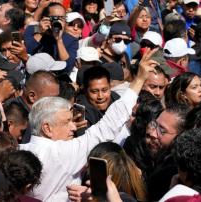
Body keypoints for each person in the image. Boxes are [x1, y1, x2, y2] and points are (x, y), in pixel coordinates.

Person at [19, 48, 158, 201]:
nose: (73, 127)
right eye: (66, 122)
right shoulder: (63, 153)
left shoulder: (18, 151)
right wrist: (139, 80)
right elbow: (106, 126)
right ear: (47, 128)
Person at [24, 2, 78, 73]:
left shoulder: (71, 40)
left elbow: (68, 67)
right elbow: (27, 52)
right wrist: (40, 33)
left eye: (62, 18)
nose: (58, 21)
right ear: (45, 18)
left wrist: (59, 40)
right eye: (54, 18)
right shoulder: (33, 29)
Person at [75, 66, 120, 136]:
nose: (100, 96)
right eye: (94, 91)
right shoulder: (80, 110)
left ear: (110, 87)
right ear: (85, 92)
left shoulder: (116, 98)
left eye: (104, 90)